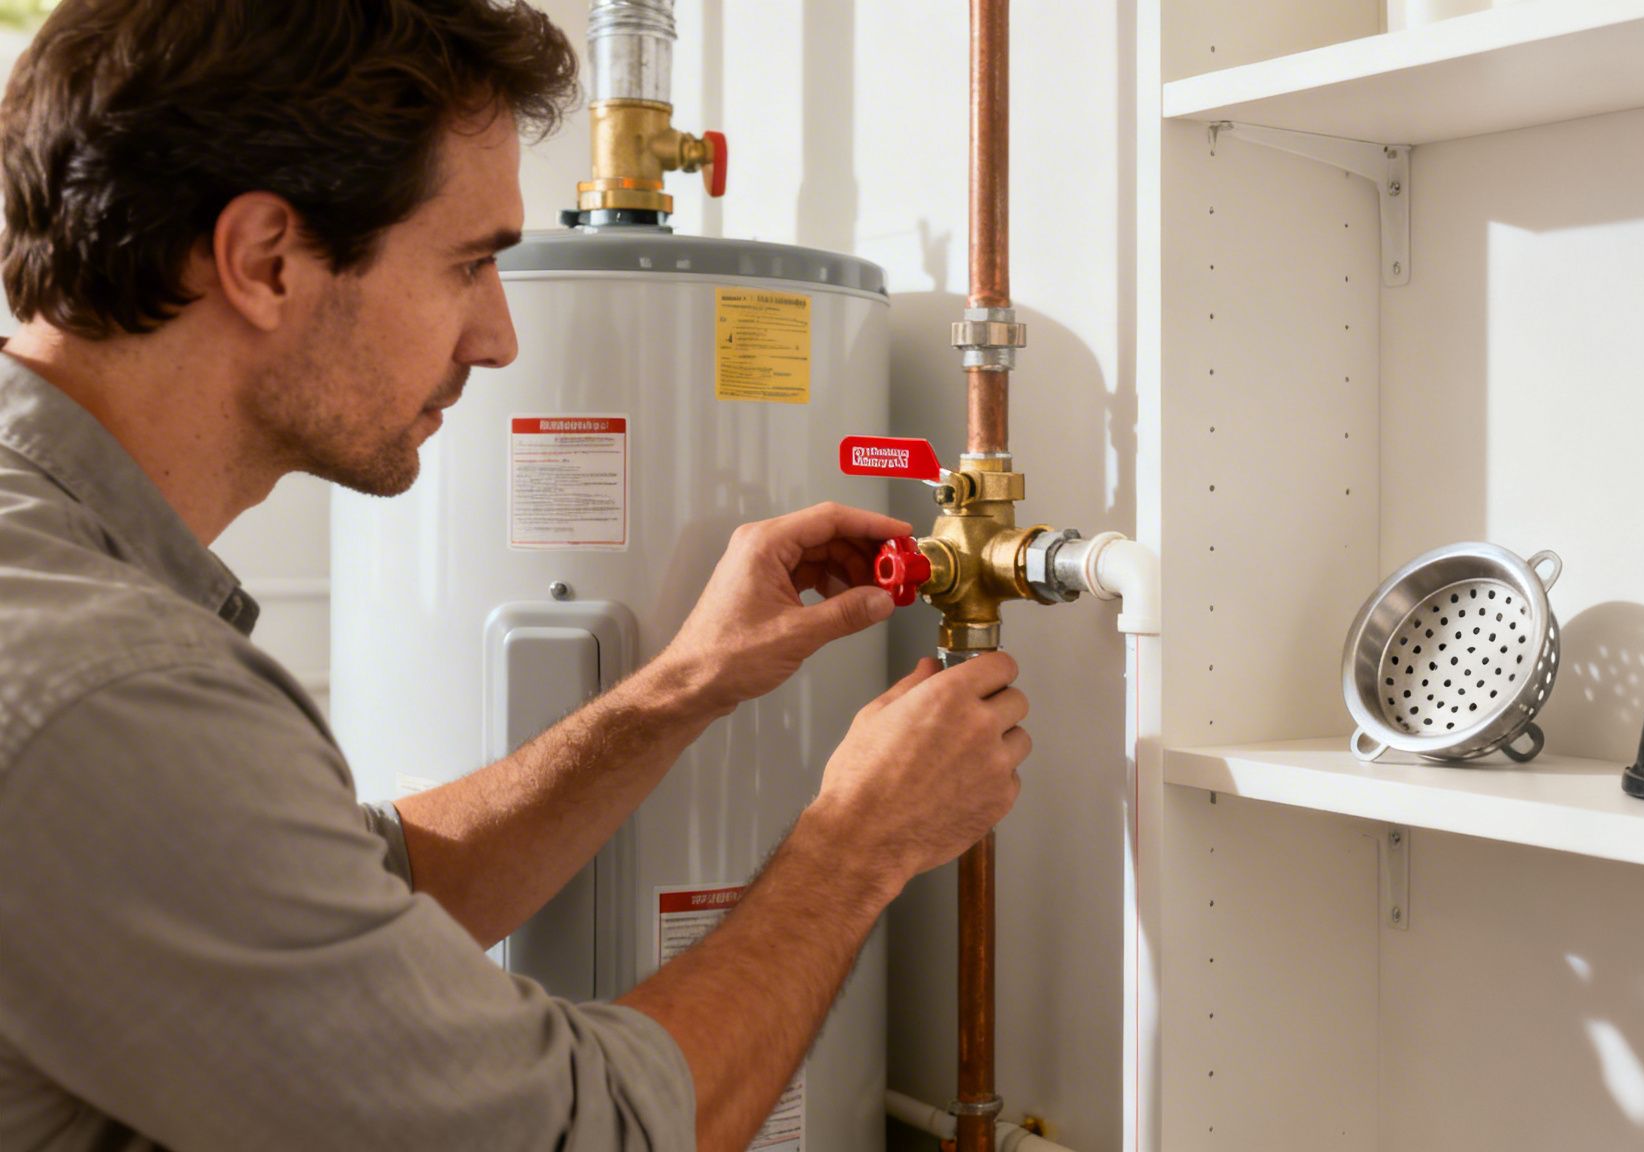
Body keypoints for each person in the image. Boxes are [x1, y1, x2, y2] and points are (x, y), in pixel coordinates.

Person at [0, 2, 1029, 1150]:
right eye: (468, 267)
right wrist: (856, 845)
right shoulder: (109, 689)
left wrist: (685, 683)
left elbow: (361, 890)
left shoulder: (50, 572)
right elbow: (573, 1138)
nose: (498, 337)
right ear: (265, 261)